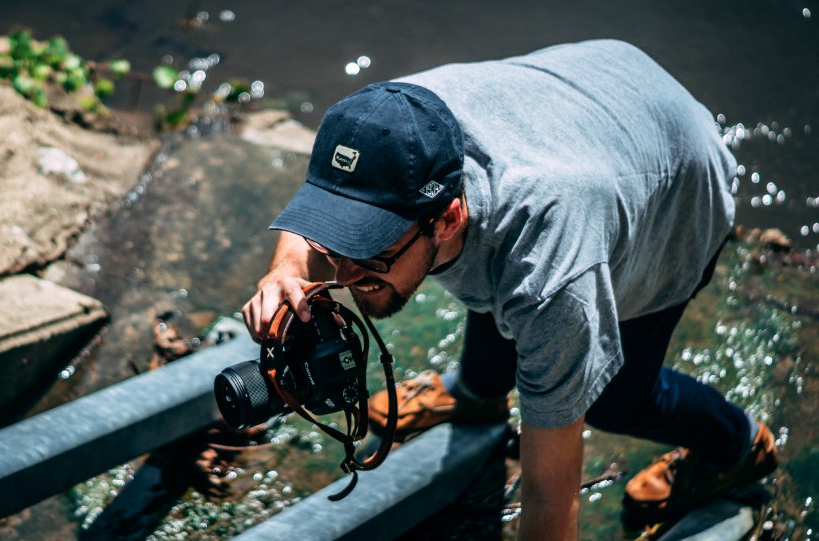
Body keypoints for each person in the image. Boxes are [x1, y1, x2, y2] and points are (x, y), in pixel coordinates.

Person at [241, 39, 778, 539]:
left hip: (677, 169)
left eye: (372, 252)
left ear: (448, 217)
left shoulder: (551, 275)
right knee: (489, 290)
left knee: (612, 395)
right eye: (338, 238)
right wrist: (285, 269)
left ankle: (738, 446)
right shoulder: (383, 130)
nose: (344, 277)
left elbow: (549, 498)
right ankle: (478, 395)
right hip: (595, 89)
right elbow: (325, 197)